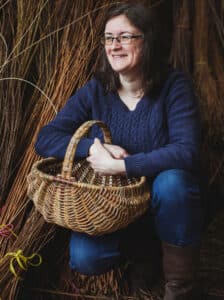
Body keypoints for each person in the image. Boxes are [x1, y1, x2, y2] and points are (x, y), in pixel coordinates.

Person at [35, 2, 204, 299]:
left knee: (173, 183)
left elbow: (186, 151)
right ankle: (146, 255)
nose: (114, 46)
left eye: (125, 36)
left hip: (166, 206)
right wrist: (95, 147)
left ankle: (179, 288)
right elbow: (46, 138)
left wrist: (123, 166)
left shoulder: (173, 86)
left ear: (147, 40)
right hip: (116, 210)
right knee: (84, 258)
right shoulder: (96, 90)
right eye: (109, 38)